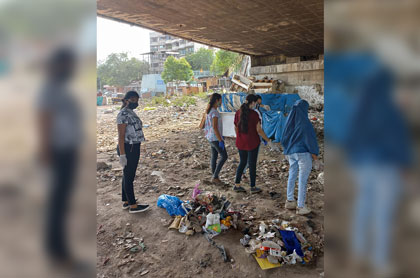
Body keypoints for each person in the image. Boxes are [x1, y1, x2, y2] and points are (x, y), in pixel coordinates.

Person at [281, 99, 319, 215]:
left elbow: (283, 137)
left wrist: (287, 151)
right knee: (302, 179)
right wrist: (316, 158)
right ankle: (301, 206)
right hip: (303, 153)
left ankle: (290, 200)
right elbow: (310, 141)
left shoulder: (289, 121)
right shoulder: (304, 123)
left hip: (291, 152)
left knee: (292, 175)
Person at [117, 91, 149, 213]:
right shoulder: (123, 114)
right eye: (133, 100)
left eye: (137, 100)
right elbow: (121, 136)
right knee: (129, 176)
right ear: (126, 100)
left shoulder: (130, 112)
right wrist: (123, 155)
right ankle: (133, 206)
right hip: (128, 148)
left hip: (133, 147)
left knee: (127, 174)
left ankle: (126, 201)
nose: (136, 103)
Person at [234, 94, 273, 193]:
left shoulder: (238, 112)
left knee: (242, 162)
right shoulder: (254, 114)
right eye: (255, 103)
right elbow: (259, 130)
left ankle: (237, 184)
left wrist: (240, 137)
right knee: (252, 164)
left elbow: (236, 127)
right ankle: (252, 187)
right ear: (253, 103)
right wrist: (268, 140)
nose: (256, 105)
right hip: (252, 142)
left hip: (241, 142)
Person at [204, 93, 227, 184]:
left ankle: (215, 176)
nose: (221, 102)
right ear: (217, 100)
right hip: (215, 138)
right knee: (224, 156)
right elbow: (215, 127)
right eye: (221, 100)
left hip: (210, 137)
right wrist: (220, 139)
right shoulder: (214, 112)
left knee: (214, 156)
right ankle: (215, 176)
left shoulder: (210, 111)